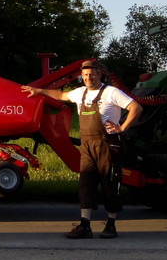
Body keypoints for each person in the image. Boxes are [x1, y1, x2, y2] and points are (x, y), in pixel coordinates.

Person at [21, 60, 143, 239]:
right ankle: (85, 226)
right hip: (86, 145)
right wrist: (38, 91)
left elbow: (136, 107)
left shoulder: (111, 92)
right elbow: (61, 95)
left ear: (100, 74)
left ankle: (111, 225)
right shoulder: (80, 93)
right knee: (85, 184)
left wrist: (122, 128)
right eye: (85, 75)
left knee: (110, 184)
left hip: (107, 145)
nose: (88, 78)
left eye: (92, 74)